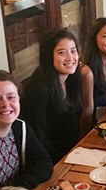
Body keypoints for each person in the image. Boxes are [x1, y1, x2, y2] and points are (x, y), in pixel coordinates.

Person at [22, 28, 83, 163]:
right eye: (62, 52)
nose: (70, 58)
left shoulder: (72, 79)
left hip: (70, 154)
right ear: (48, 56)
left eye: (73, 51)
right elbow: (37, 137)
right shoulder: (39, 89)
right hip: (48, 160)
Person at [80, 18, 106, 135]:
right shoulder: (86, 72)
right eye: (105, 36)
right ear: (94, 40)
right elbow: (87, 111)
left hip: (104, 124)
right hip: (89, 129)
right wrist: (84, 141)